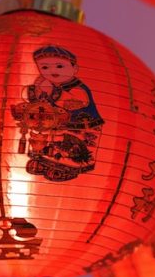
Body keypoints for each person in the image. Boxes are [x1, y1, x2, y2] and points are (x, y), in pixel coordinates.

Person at [12, 45, 104, 182]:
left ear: (75, 69)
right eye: (45, 67)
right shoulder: (46, 85)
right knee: (47, 142)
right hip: (55, 126)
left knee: (68, 148)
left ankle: (67, 166)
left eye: (59, 66)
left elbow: (71, 103)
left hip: (79, 127)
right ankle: (45, 161)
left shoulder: (78, 89)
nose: (52, 71)